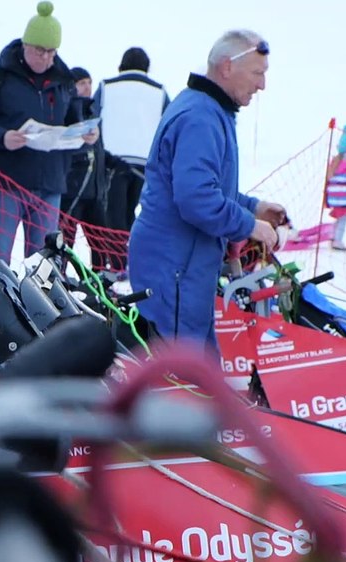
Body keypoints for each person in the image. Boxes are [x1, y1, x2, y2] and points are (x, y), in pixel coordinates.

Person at [127, 30, 287, 352]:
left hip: (185, 267)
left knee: (201, 372)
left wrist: (253, 207)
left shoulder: (209, 109)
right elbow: (196, 199)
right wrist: (249, 225)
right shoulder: (201, 117)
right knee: (185, 378)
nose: (262, 85)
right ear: (227, 67)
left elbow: (209, 187)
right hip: (175, 269)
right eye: (258, 73)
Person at [0, 1, 99, 264]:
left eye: (52, 52)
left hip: (49, 186)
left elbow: (72, 126)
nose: (46, 57)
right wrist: (2, 138)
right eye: (40, 50)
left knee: (44, 262)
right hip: (5, 183)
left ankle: (42, 305)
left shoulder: (64, 80)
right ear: (25, 45)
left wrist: (85, 136)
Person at [93, 46, 170, 233]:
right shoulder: (160, 91)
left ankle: (118, 259)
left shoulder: (106, 86)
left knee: (114, 218)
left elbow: (93, 119)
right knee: (133, 215)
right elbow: (169, 128)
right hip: (145, 164)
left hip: (112, 163)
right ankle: (131, 255)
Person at [59, 67, 117, 270]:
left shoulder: (92, 112)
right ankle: (60, 277)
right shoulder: (68, 111)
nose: (88, 87)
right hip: (73, 190)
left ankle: (100, 281)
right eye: (82, 83)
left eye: (89, 82)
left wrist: (111, 161)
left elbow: (96, 149)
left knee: (101, 243)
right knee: (66, 242)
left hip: (95, 192)